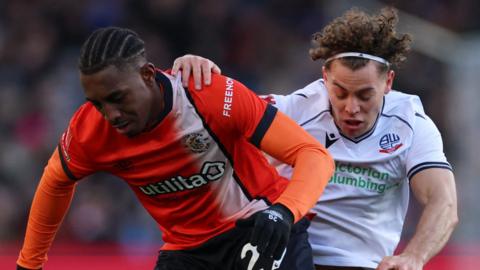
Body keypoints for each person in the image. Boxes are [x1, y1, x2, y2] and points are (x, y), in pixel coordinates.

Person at [16, 26, 335, 270]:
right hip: (186, 251)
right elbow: (55, 182)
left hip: (259, 227)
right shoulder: (89, 129)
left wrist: (284, 212)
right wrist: (29, 264)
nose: (110, 114)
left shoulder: (208, 94)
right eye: (97, 103)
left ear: (147, 75)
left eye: (118, 98)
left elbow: (314, 155)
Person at [173, 7, 458, 270]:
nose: (351, 108)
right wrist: (198, 75)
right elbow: (217, 113)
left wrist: (413, 257)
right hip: (285, 256)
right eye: (340, 92)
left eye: (364, 95)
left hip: (365, 265)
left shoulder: (411, 123)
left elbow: (443, 202)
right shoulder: (293, 109)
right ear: (325, 78)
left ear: (388, 82)